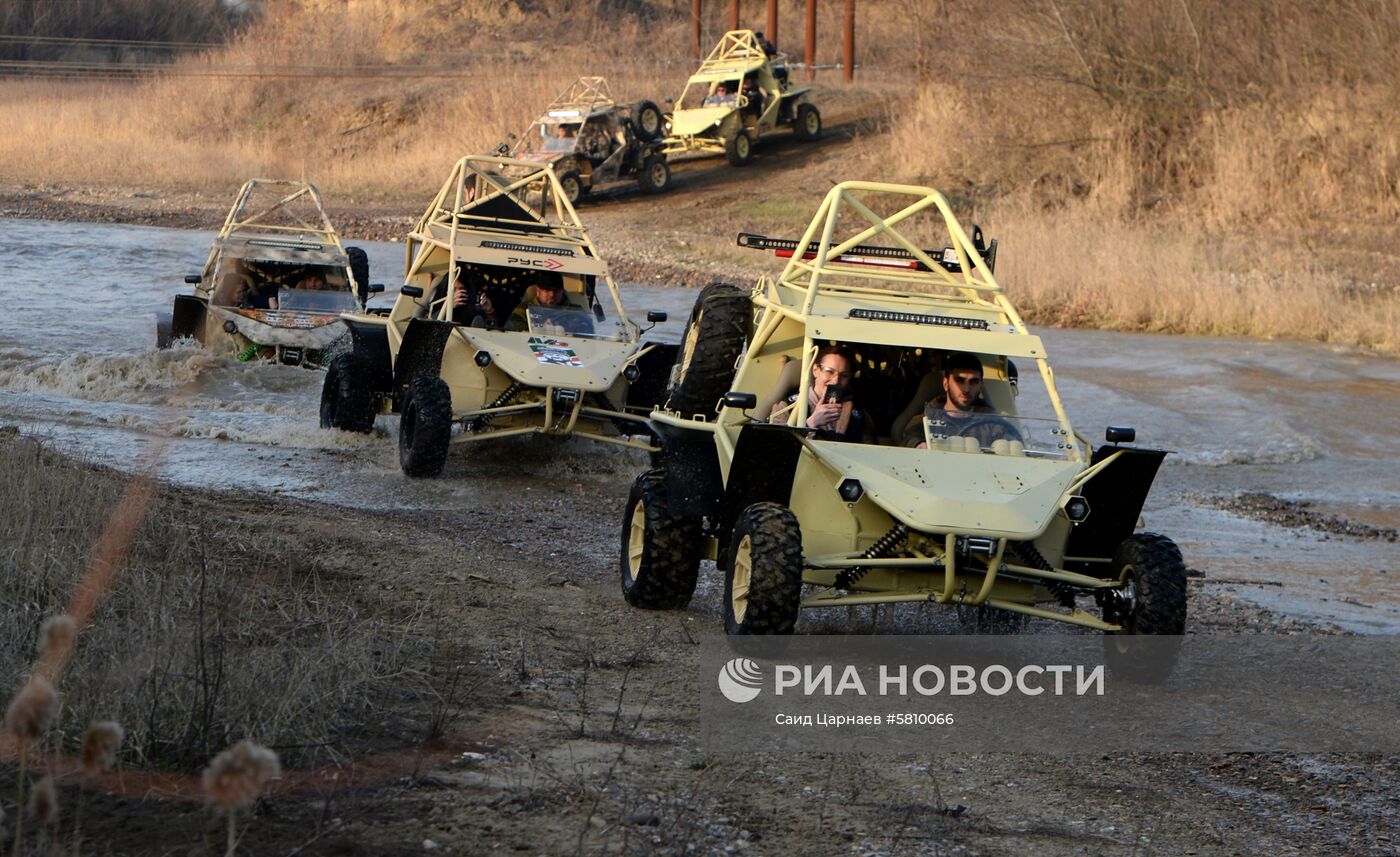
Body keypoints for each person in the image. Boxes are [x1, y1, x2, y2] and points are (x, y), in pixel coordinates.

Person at [901, 352, 1020, 449]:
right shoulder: (926, 419)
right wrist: (918, 444)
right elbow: (910, 437)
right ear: (946, 383)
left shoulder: (992, 423)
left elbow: (1012, 444)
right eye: (960, 380)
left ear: (981, 385)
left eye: (974, 382)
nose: (967, 389)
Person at [770, 345, 871, 442]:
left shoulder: (858, 413)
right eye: (829, 372)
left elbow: (867, 451)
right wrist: (811, 424)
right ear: (815, 370)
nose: (836, 381)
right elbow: (778, 448)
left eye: (844, 375)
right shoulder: (787, 408)